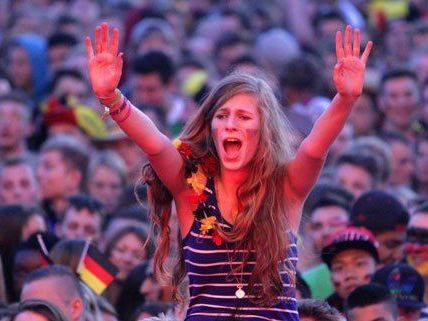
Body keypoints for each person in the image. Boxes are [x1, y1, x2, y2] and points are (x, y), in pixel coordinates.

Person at [85, 22, 372, 320]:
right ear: (211, 127)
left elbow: (314, 149)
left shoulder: (285, 185)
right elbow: (156, 145)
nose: (231, 124)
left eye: (244, 116)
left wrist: (345, 98)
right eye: (222, 116)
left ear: (264, 130)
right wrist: (111, 98)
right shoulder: (188, 185)